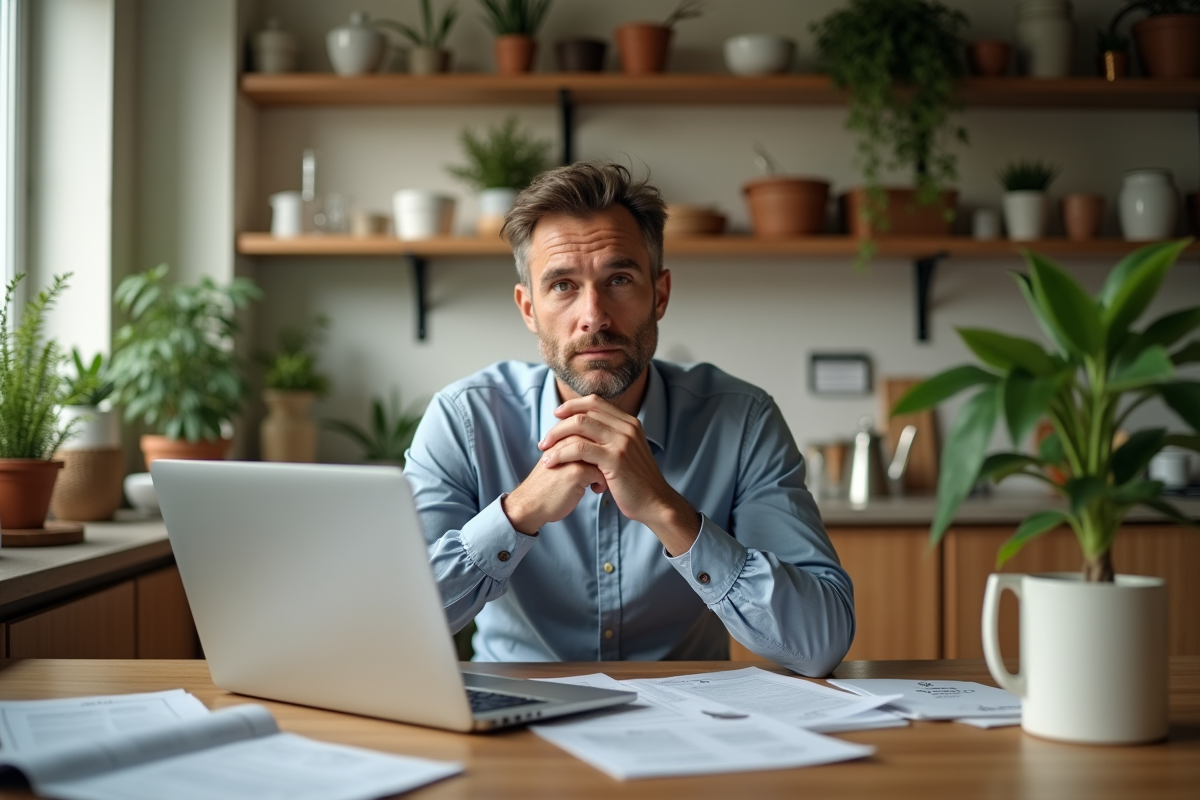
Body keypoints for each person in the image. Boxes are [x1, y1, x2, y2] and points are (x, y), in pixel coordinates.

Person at [405, 162, 854, 676]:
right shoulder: (464, 421)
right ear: (528, 308)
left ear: (659, 295)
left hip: (694, 725)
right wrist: (517, 514)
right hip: (517, 723)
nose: (593, 315)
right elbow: (390, 625)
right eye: (562, 286)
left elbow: (822, 640)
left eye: (618, 278)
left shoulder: (742, 419)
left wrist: (669, 512)